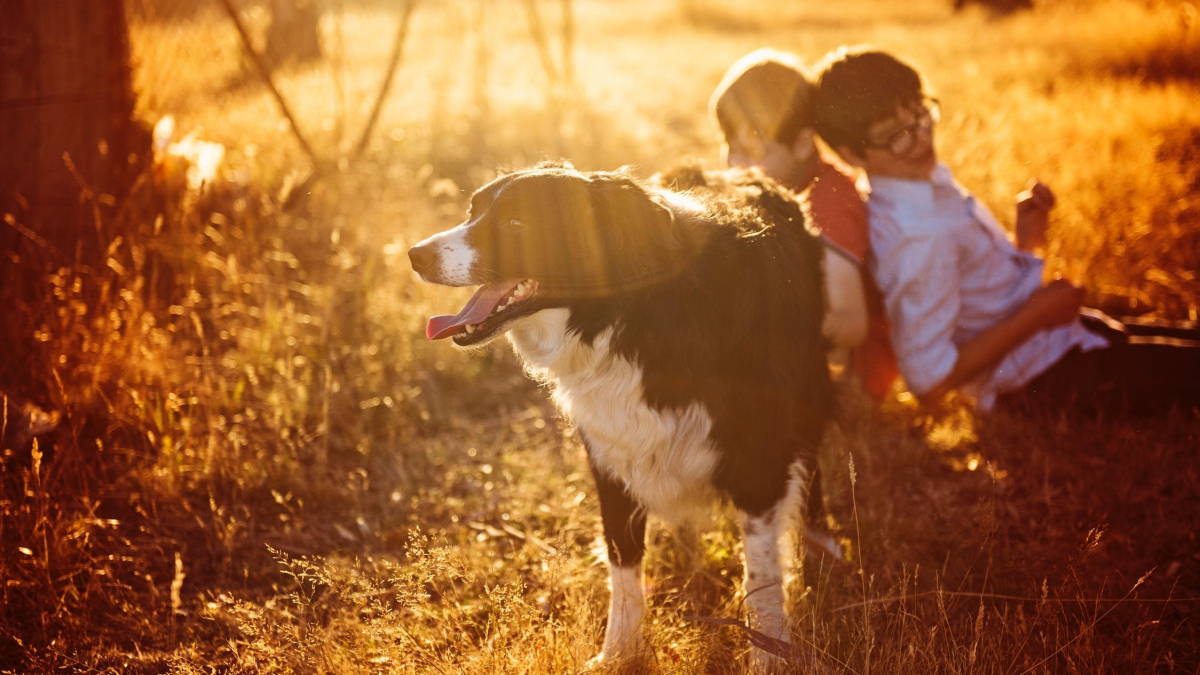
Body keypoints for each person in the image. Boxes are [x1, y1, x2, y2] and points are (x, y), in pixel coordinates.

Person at [811, 46, 1200, 415]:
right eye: (896, 134)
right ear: (851, 154)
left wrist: (1027, 241)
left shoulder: (921, 187)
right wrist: (1038, 314)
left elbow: (977, 296)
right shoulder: (915, 235)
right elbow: (927, 380)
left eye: (919, 113)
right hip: (1045, 378)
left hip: (1060, 339)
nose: (921, 137)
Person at [710, 48, 899, 400]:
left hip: (854, 371)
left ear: (801, 144)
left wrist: (766, 326)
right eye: (729, 147)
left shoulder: (828, 205)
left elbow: (851, 324)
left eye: (753, 152)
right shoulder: (771, 186)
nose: (736, 164)